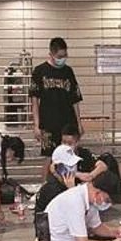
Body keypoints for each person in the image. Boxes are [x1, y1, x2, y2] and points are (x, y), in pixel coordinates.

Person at [30, 37, 83, 178]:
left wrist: (79, 124)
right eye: (59, 56)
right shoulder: (39, 71)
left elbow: (75, 100)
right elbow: (34, 101)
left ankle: (69, 184)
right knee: (49, 157)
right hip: (48, 123)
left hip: (67, 121)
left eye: (65, 55)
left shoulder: (68, 72)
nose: (63, 59)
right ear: (51, 54)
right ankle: (45, 186)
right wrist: (36, 125)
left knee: (69, 154)